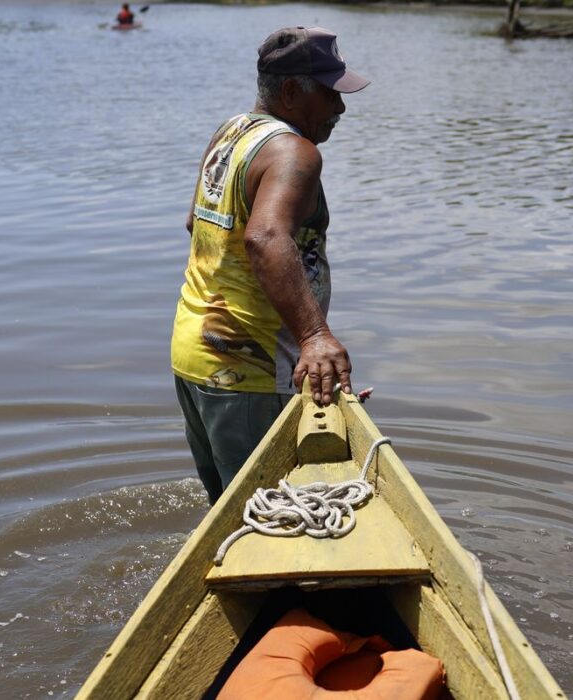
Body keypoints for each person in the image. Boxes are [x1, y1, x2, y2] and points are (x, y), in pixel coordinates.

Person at [171, 27, 370, 503]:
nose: (339, 109)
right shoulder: (294, 152)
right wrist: (314, 338)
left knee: (234, 517)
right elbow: (264, 237)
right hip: (251, 372)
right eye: (329, 94)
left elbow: (194, 224)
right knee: (271, 526)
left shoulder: (232, 133)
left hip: (195, 356)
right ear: (289, 92)